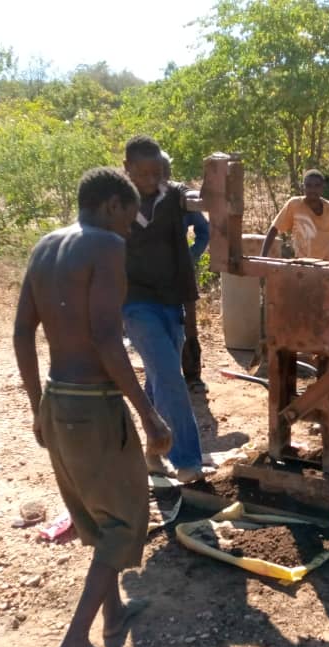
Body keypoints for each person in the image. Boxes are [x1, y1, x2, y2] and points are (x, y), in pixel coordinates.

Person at [13, 167, 172, 647]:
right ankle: (76, 641)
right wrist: (148, 415)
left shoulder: (44, 247)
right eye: (128, 218)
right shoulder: (105, 246)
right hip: (94, 404)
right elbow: (107, 338)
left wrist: (38, 405)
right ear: (109, 206)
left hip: (59, 401)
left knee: (95, 516)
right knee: (125, 520)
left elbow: (22, 334)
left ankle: (114, 613)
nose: (129, 229)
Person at [121, 135, 206, 484]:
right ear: (127, 169)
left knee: (159, 376)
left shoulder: (175, 197)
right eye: (144, 173)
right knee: (171, 375)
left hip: (172, 299)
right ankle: (188, 462)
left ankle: (153, 454)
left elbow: (204, 217)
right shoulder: (115, 202)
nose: (153, 180)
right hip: (135, 302)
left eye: (158, 172)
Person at [160, 151, 210, 391]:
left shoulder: (180, 197)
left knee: (188, 321)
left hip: (180, 271)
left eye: (163, 169)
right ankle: (165, 377)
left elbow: (204, 230)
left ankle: (193, 376)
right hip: (149, 273)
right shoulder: (136, 199)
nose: (160, 175)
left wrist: (191, 256)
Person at [261, 169, 329, 261]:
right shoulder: (294, 205)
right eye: (309, 186)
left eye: (317, 186)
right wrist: (263, 256)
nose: (313, 190)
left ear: (322, 187)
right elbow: (274, 228)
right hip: (303, 266)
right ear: (303, 187)